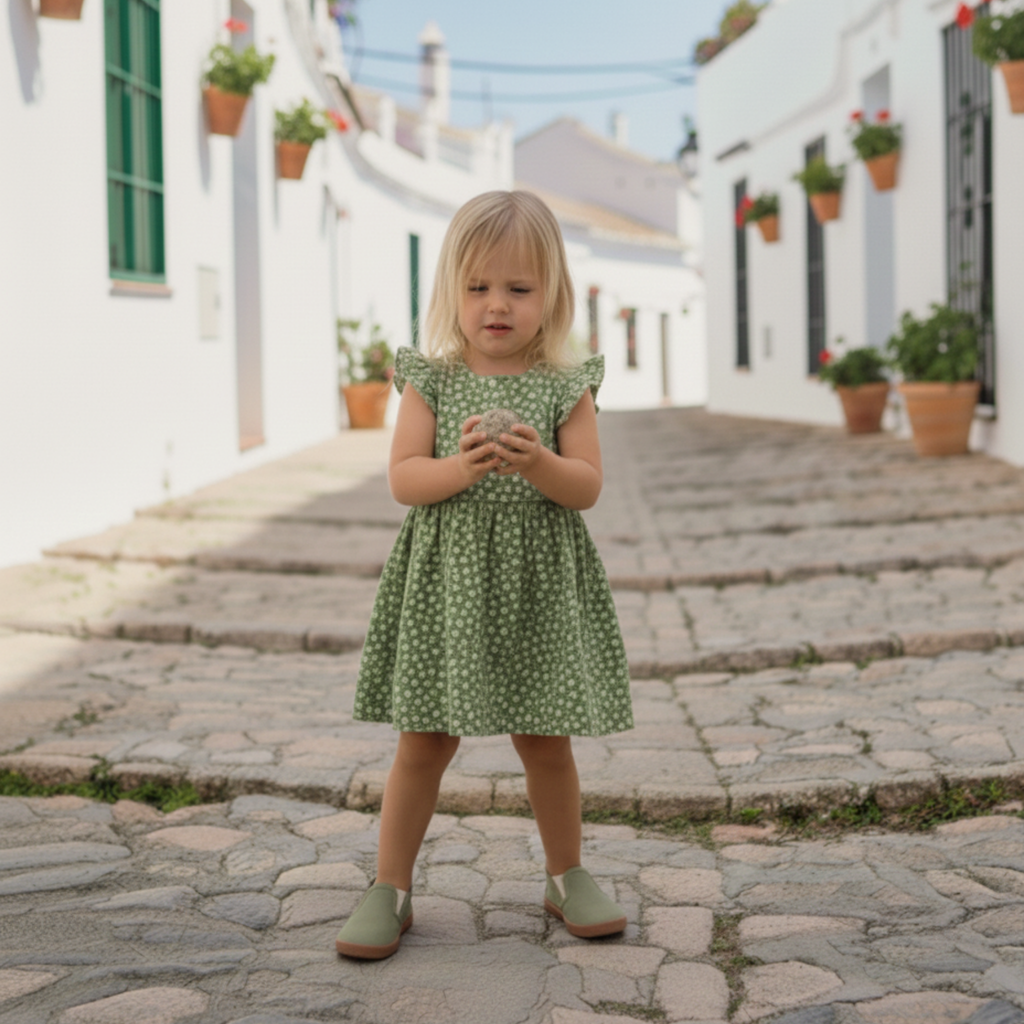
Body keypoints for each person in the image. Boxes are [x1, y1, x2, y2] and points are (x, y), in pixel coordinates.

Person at [335, 190, 634, 960]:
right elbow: (404, 478)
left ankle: (566, 873)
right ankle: (389, 887)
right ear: (451, 292)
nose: (496, 305)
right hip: (448, 585)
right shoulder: (430, 379)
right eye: (478, 288)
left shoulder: (566, 384)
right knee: (425, 741)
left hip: (537, 583)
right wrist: (458, 468)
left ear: (552, 296)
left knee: (545, 741)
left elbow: (588, 487)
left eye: (518, 288)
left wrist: (541, 463)